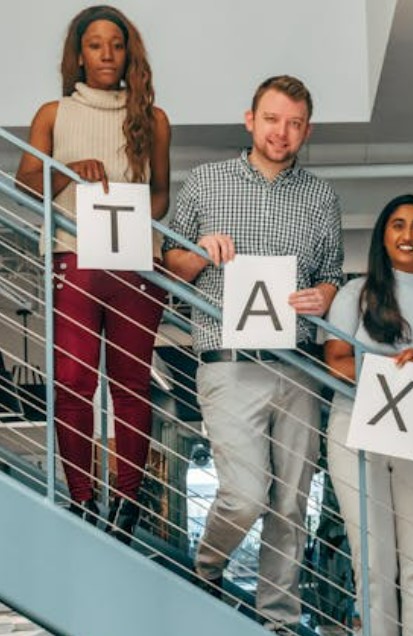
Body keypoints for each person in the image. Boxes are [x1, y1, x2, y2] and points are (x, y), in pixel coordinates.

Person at [163, 75, 343, 635]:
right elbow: (169, 263)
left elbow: (332, 274)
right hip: (228, 361)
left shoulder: (321, 196)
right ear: (250, 119)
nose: (281, 132)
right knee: (244, 497)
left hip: (297, 365)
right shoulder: (206, 182)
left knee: (289, 504)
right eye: (272, 119)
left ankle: (278, 621)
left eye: (294, 123)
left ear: (306, 130)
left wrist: (328, 294)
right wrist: (199, 254)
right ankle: (207, 570)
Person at [15, 5, 171, 540]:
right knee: (75, 381)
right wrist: (67, 173)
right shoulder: (54, 113)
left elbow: (161, 197)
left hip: (132, 264)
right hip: (73, 258)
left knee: (130, 384)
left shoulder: (152, 118)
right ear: (78, 54)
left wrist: (130, 216)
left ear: (130, 53)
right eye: (96, 44)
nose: (107, 54)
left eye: (117, 44)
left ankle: (125, 502)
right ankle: (82, 497)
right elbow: (25, 184)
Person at [324, 194, 413, 636]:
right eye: (398, 225)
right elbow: (334, 361)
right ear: (383, 237)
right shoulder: (355, 292)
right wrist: (389, 370)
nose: (408, 235)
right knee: (372, 559)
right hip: (356, 426)